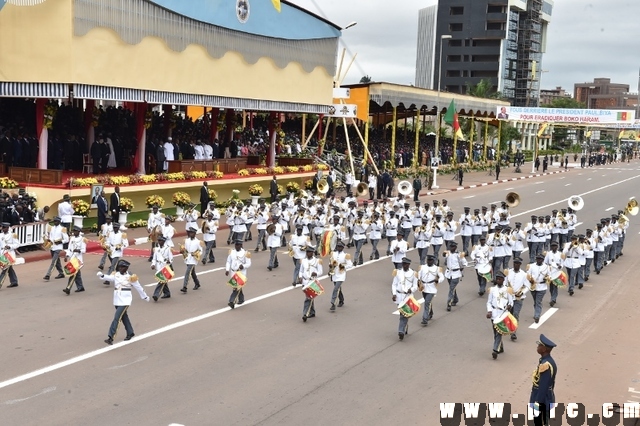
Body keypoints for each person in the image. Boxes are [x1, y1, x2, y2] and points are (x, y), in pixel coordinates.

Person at [99, 260, 150, 345]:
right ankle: (130, 332)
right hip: (117, 298)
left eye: (123, 267)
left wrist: (144, 296)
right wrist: (102, 275)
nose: (121, 268)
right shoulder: (116, 274)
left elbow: (138, 287)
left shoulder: (131, 277)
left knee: (117, 317)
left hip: (125, 299)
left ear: (126, 268)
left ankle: (111, 337)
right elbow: (110, 278)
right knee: (124, 317)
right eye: (120, 267)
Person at [530, 334, 557, 426]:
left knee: (539, 422)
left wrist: (538, 403)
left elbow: (543, 386)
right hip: (546, 397)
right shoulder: (547, 361)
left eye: (539, 345)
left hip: (542, 399)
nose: (537, 347)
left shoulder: (546, 365)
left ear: (544, 349)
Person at [486, 271, 513, 359]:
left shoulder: (507, 290)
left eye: (500, 279)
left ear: (503, 280)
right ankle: (500, 347)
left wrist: (509, 306)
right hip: (494, 313)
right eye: (497, 279)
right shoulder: (492, 290)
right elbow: (489, 302)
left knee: (499, 332)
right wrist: (489, 311)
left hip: (503, 313)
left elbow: (511, 301)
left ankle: (495, 350)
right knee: (495, 331)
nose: (498, 280)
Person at [392, 257, 418, 340]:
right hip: (399, 296)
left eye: (406, 264)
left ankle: (401, 331)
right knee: (402, 313)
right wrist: (394, 294)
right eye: (403, 264)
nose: (404, 265)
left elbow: (415, 286)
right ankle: (404, 326)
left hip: (408, 296)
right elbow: (394, 284)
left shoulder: (413, 273)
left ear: (409, 264)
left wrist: (412, 289)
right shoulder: (398, 272)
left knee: (403, 315)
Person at [506, 257, 529, 341]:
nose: (516, 265)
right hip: (509, 297)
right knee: (509, 314)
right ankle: (509, 326)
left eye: (518, 263)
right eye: (515, 263)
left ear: (520, 264)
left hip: (518, 298)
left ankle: (514, 332)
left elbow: (527, 286)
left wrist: (522, 292)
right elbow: (505, 283)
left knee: (516, 314)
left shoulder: (524, 274)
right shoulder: (508, 272)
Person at [299, 245, 323, 322]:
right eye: (307, 252)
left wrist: (315, 273)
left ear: (312, 253)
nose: (308, 253)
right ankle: (312, 312)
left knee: (308, 298)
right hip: (305, 281)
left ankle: (305, 314)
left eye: (309, 252)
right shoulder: (303, 261)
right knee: (309, 297)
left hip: (312, 281)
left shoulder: (317, 261)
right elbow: (301, 271)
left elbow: (321, 272)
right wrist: (300, 277)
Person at [418, 255, 443, 326]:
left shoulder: (437, 269)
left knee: (427, 302)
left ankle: (425, 319)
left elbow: (442, 277)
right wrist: (419, 282)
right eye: (428, 260)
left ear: (433, 261)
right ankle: (430, 312)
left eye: (430, 260)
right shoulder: (422, 267)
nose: (429, 261)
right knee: (427, 301)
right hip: (423, 287)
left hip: (431, 288)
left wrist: (438, 280)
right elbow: (419, 275)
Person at [226, 239, 252, 309]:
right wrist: (227, 269)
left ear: (241, 245)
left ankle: (231, 301)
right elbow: (228, 261)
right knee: (237, 286)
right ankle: (241, 299)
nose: (236, 246)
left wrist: (243, 266)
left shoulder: (245, 253)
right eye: (236, 245)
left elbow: (249, 263)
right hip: (233, 272)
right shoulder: (232, 252)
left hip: (241, 272)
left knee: (236, 288)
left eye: (238, 245)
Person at [329, 240, 353, 311]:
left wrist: (342, 266)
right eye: (338, 246)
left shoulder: (345, 255)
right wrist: (330, 266)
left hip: (341, 274)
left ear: (343, 248)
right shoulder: (333, 254)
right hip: (334, 273)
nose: (339, 248)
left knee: (336, 288)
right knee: (338, 288)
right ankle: (341, 300)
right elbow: (330, 262)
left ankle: (333, 303)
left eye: (340, 247)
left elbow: (350, 265)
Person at [444, 241, 467, 311]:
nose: (451, 248)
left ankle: (449, 304)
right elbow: (444, 255)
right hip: (448, 273)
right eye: (451, 246)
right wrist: (444, 253)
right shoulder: (448, 253)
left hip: (456, 273)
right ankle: (455, 299)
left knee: (451, 289)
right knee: (452, 288)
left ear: (456, 247)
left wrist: (462, 266)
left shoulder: (459, 254)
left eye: (453, 247)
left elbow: (465, 263)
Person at [63, 226, 86, 295]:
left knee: (73, 273)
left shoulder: (82, 239)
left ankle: (68, 288)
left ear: (79, 232)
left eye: (76, 231)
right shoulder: (72, 238)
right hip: (72, 258)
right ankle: (80, 287)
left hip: (78, 259)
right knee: (77, 274)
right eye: (74, 231)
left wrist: (78, 250)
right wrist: (67, 256)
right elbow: (70, 249)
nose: (74, 232)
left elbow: (84, 250)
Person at [43, 216, 68, 281]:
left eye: (56, 221)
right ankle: (61, 273)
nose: (55, 222)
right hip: (52, 246)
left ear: (59, 222)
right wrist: (48, 241)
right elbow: (50, 236)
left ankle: (48, 275)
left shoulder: (62, 229)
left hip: (58, 247)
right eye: (54, 221)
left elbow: (66, 239)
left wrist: (60, 241)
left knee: (53, 261)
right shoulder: (51, 228)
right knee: (57, 261)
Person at [151, 235, 173, 301]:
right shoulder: (156, 249)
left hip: (165, 266)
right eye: (158, 240)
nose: (159, 242)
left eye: (160, 241)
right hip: (158, 266)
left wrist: (169, 261)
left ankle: (156, 294)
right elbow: (154, 259)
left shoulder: (167, 249)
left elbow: (171, 258)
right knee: (163, 280)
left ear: (164, 241)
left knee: (161, 280)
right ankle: (167, 293)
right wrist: (153, 264)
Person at [180, 227, 203, 293]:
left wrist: (196, 254)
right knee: (192, 272)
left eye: (192, 233)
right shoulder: (187, 240)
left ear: (195, 233)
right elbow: (185, 248)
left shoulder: (197, 242)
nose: (191, 234)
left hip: (193, 259)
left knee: (188, 272)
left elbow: (200, 251)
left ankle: (185, 286)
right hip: (187, 257)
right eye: (190, 233)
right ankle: (197, 283)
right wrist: (182, 250)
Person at [0, 222, 20, 288]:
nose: (2, 229)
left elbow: (17, 244)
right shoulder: (0, 235)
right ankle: (14, 281)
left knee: (5, 269)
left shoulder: (13, 235)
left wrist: (10, 246)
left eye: (4, 228)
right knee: (9, 269)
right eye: (2, 227)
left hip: (10, 254)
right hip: (3, 254)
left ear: (7, 228)